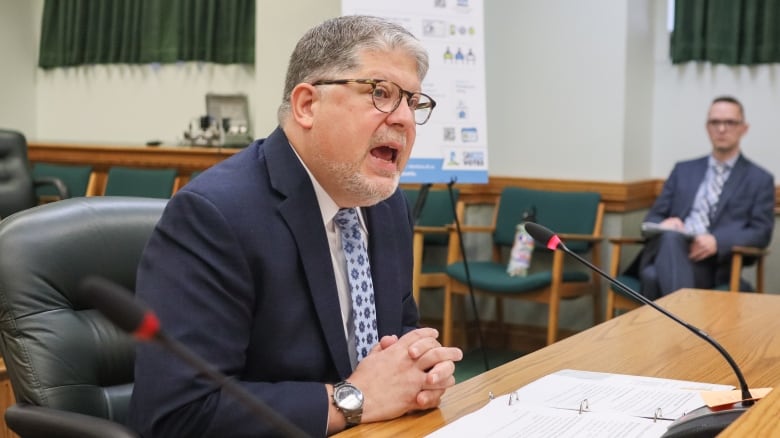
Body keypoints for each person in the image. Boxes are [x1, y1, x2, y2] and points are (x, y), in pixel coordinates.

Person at [129, 15, 463, 437]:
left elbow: (397, 331)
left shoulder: (387, 205)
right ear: (307, 105)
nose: (405, 120)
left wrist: (421, 369)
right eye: (381, 93)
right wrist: (355, 399)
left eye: (413, 103)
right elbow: (180, 414)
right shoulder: (214, 215)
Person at [635, 96, 774, 299]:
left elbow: (761, 233)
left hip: (713, 264)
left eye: (730, 122)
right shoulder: (683, 170)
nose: (722, 129)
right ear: (707, 127)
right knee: (671, 237)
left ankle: (672, 329)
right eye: (715, 122)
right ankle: (685, 329)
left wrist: (717, 241)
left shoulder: (759, 179)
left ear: (744, 128)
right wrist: (666, 223)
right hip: (672, 248)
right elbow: (651, 219)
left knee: (651, 276)